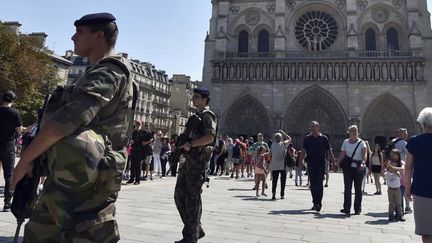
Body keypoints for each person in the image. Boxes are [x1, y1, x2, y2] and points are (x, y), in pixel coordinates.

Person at [12, 13, 134, 242]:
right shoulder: (103, 72)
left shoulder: (107, 73)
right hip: (76, 177)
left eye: (79, 32)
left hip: (86, 184)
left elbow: (64, 123)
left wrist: (26, 159)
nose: (72, 37)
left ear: (98, 36)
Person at [174, 87, 216, 243]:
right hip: (188, 162)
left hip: (197, 163)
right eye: (193, 96)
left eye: (197, 97)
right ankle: (196, 229)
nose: (194, 99)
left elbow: (210, 138)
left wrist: (191, 145)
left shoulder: (207, 116)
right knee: (179, 197)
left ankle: (190, 237)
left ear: (205, 99)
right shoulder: (196, 116)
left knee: (193, 200)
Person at [405, 107, 432, 243]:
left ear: (423, 124)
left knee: (426, 232)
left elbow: (408, 166)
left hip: (421, 190)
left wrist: (407, 187)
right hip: (422, 190)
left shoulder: (415, 142)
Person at [300, 121, 335, 212]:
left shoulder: (324, 138)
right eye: (311, 126)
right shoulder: (307, 138)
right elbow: (303, 151)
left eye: (314, 126)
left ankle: (318, 203)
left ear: (318, 127)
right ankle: (315, 202)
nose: (312, 128)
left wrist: (334, 162)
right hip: (311, 164)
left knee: (319, 184)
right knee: (312, 184)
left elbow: (329, 151)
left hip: (320, 164)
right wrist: (301, 161)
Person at [336, 125, 367, 215]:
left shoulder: (362, 142)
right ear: (348, 132)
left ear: (358, 132)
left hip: (358, 168)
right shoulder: (345, 142)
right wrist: (337, 163)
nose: (353, 132)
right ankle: (346, 208)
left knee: (358, 189)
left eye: (355, 130)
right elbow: (342, 154)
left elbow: (365, 154)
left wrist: (363, 163)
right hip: (348, 168)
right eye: (352, 130)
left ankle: (357, 209)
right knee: (347, 188)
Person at [0, 90, 22, 212]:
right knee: (8, 175)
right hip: (8, 146)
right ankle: (7, 203)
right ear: (13, 101)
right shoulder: (15, 113)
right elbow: (19, 130)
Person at [269, 131, 292, 200]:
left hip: (274, 166)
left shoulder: (272, 145)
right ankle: (282, 195)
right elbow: (290, 139)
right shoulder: (283, 144)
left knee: (274, 181)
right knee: (283, 181)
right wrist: (284, 133)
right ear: (281, 138)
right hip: (282, 166)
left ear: (275, 138)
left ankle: (273, 194)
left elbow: (270, 155)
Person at [385, 149, 406, 222]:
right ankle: (393, 215)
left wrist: (393, 168)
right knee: (392, 202)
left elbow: (402, 168)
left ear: (398, 155)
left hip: (402, 183)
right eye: (392, 155)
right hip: (392, 186)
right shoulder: (390, 162)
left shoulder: (401, 162)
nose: (393, 156)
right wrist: (391, 168)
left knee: (399, 202)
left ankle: (400, 215)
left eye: (395, 155)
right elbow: (386, 171)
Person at [127, 121, 145, 185]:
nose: (137, 125)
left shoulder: (142, 132)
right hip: (133, 150)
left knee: (137, 165)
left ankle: (137, 180)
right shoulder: (133, 132)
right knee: (132, 165)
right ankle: (131, 179)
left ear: (140, 125)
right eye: (136, 124)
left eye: (138, 124)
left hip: (139, 151)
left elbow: (145, 140)